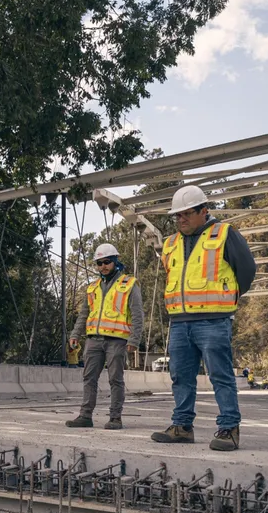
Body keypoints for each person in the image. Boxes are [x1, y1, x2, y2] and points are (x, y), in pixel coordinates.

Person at [151, 185, 257, 451]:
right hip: (180, 321)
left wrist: (227, 297)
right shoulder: (170, 243)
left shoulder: (224, 234)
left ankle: (229, 428)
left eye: (187, 214)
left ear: (204, 211)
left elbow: (246, 270)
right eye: (177, 215)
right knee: (180, 377)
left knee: (220, 375)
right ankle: (182, 427)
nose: (181, 219)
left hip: (213, 320)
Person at [65, 243, 144, 430]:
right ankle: (85, 416)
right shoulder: (92, 288)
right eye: (99, 263)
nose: (103, 267)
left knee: (115, 379)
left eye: (107, 262)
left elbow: (137, 313)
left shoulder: (129, 284)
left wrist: (134, 339)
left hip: (116, 340)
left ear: (115, 261)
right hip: (93, 340)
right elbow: (84, 313)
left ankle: (115, 418)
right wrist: (75, 334)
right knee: (89, 378)